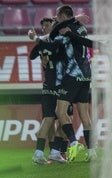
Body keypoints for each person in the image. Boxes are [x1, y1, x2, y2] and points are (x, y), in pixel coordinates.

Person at [30, 5, 97, 162]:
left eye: (56, 16)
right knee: (80, 115)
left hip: (71, 76)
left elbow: (52, 37)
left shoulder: (64, 31)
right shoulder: (80, 28)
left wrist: (38, 42)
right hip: (85, 75)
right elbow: (82, 41)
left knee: (59, 114)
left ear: (62, 15)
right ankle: (90, 151)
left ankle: (70, 145)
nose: (55, 19)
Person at [30, 17, 69, 164]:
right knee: (59, 118)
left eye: (48, 25)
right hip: (57, 86)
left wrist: (38, 42)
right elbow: (32, 55)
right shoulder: (57, 41)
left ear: (53, 27)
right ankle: (51, 152)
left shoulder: (54, 41)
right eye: (43, 26)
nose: (45, 28)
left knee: (52, 119)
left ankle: (46, 153)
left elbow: (35, 54)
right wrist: (40, 47)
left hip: (49, 85)